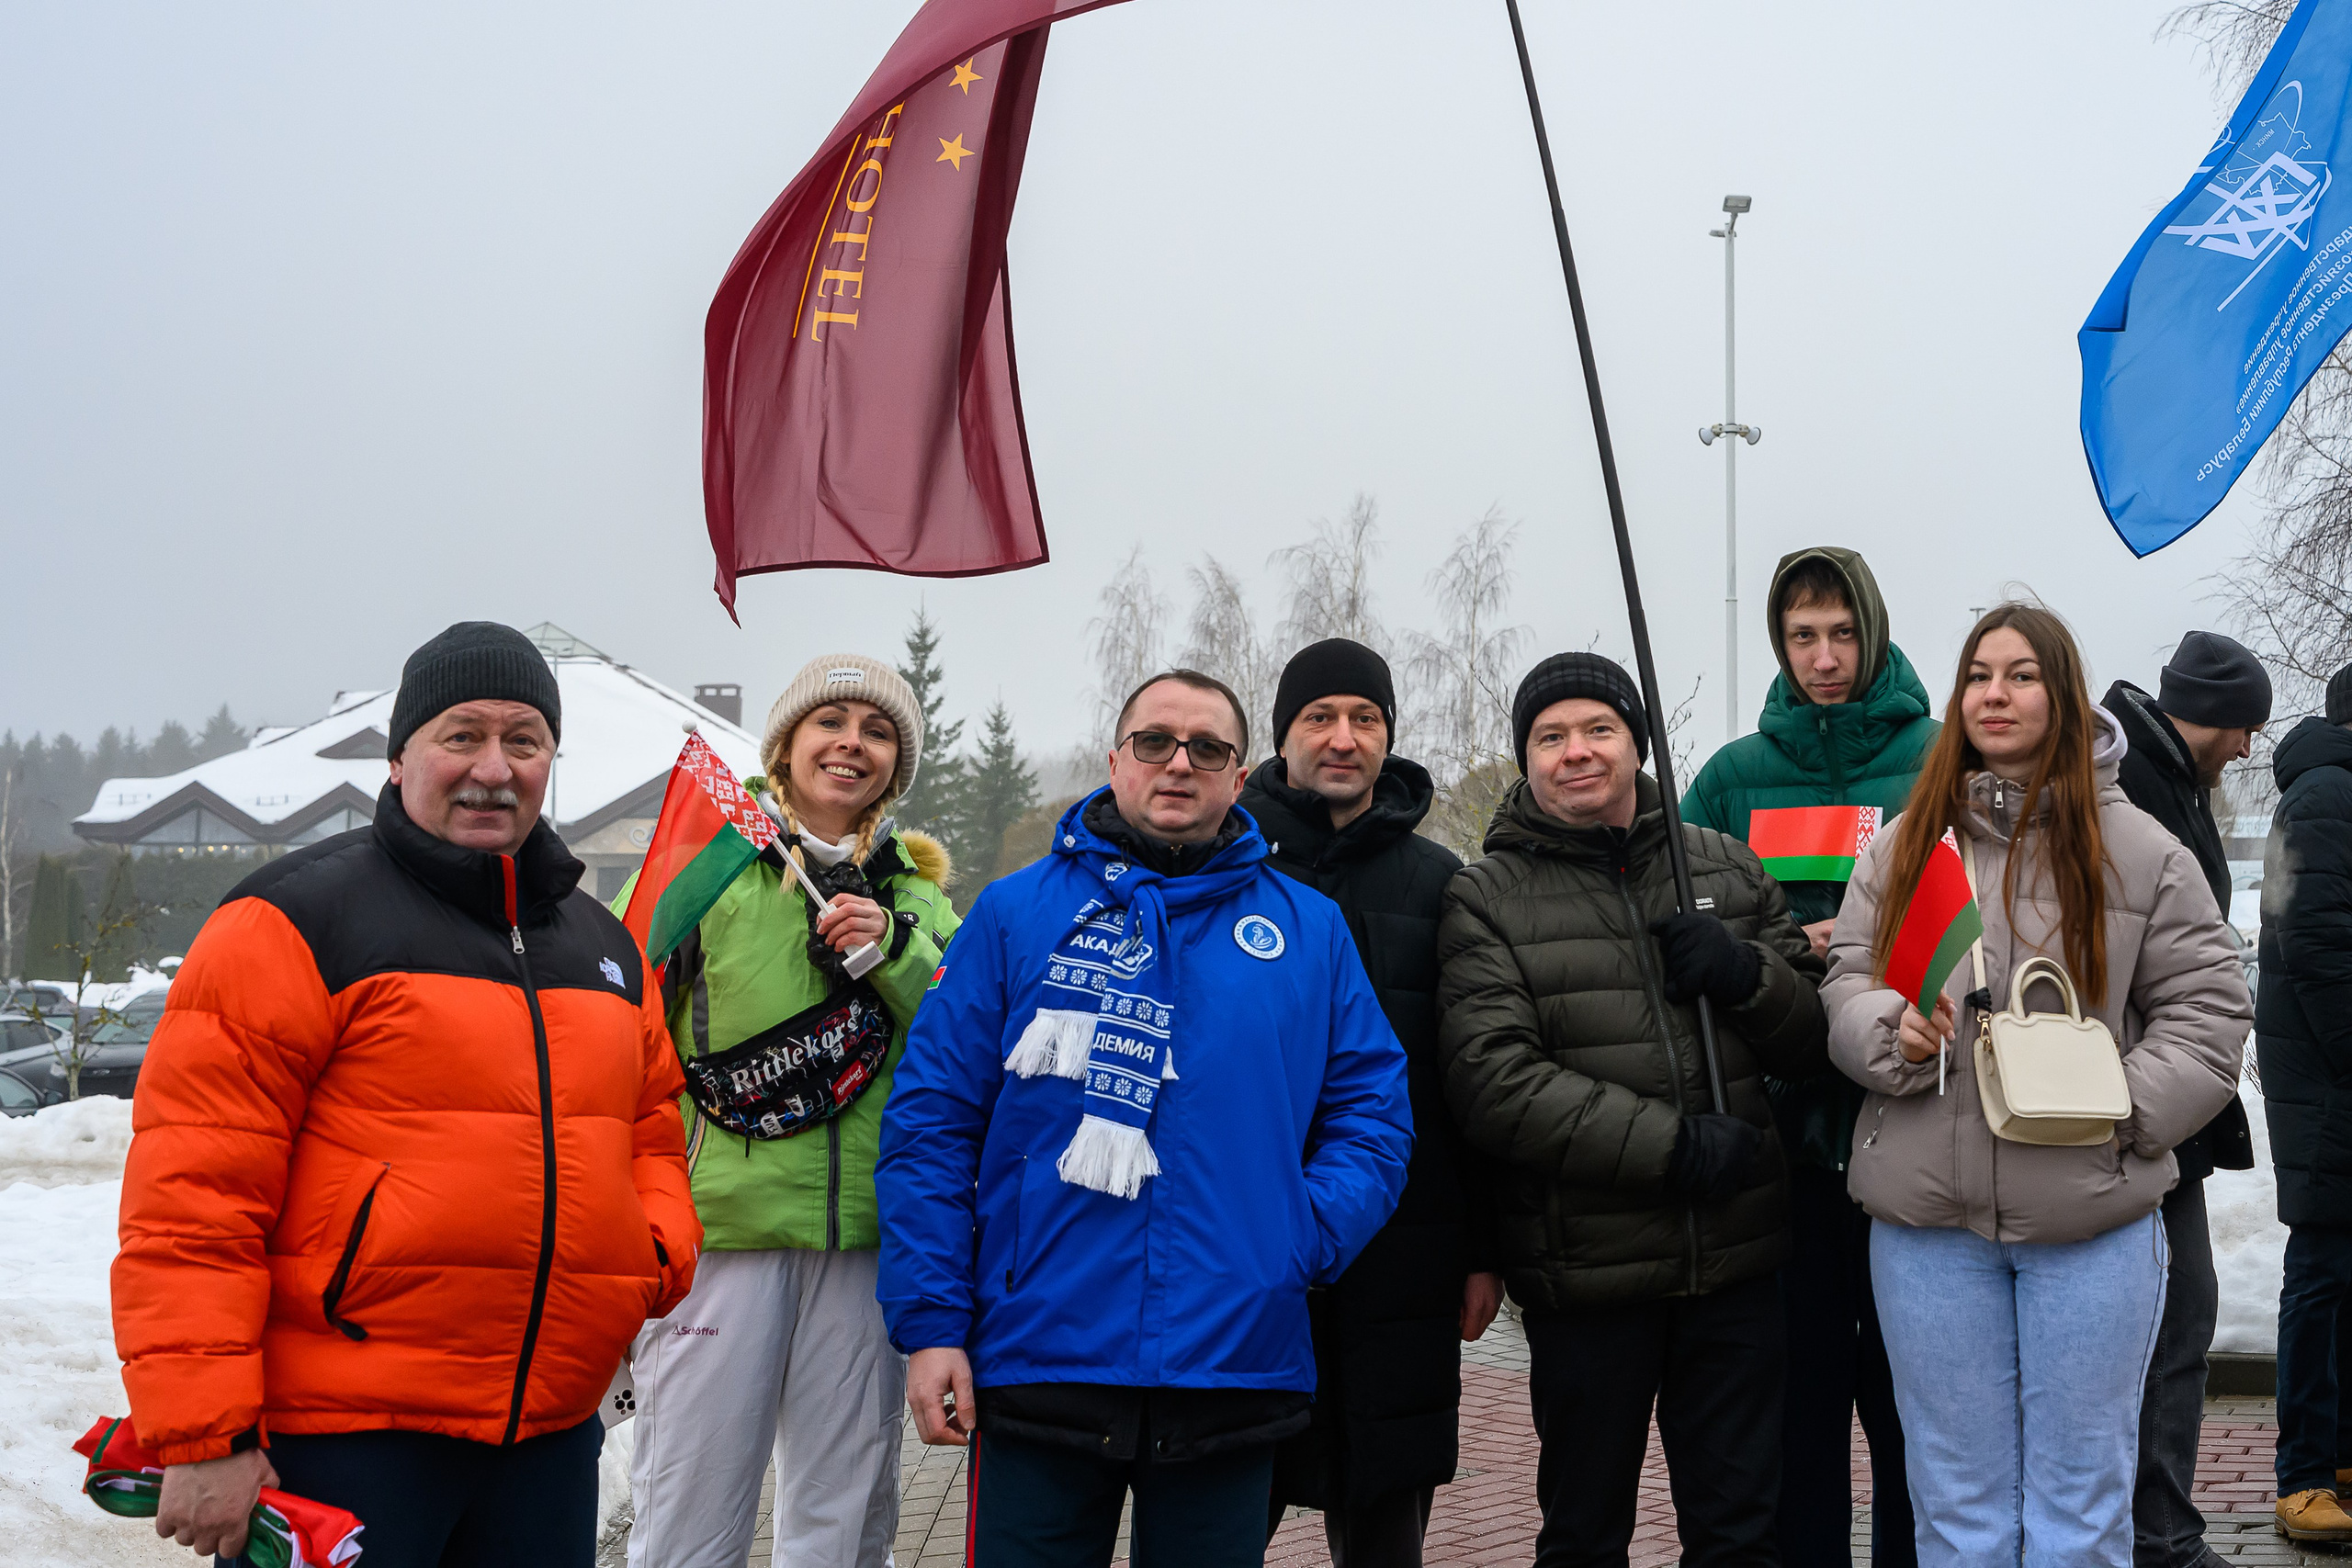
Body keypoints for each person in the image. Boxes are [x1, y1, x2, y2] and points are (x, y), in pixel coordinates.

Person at [114, 620, 702, 1567]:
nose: (494, 767)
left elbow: (650, 1130)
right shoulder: (290, 922)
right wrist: (204, 1435)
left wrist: (650, 1255)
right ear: (400, 757)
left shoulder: (603, 946)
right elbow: (193, 1201)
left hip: (547, 1439)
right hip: (346, 1439)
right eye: (460, 735)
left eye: (524, 740)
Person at [876, 669, 1412, 1568]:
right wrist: (932, 1325)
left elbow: (1373, 1116)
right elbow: (932, 1125)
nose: (1179, 764)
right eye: (1155, 741)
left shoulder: (1307, 931)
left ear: (1240, 778)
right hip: (1038, 1352)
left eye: (1208, 748)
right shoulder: (1014, 917)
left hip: (1230, 1362)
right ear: (1115, 759)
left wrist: (1300, 1234)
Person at [1824, 604, 2248, 1568]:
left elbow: (2210, 1013)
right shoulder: (1903, 848)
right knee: (1957, 1509)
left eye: (2021, 675)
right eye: (1979, 675)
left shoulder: (2138, 850)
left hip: (2092, 1229)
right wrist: (1891, 1027)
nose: (1996, 694)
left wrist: (2119, 1114)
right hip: (1928, 1232)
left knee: (2079, 1510)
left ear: (2062, 694)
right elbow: (1845, 980)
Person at [1438, 651, 1830, 1568]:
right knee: (1584, 1533)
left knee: (1740, 1533)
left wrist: (1747, 975)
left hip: (1734, 1267)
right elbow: (1494, 1082)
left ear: (1636, 742)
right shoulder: (1485, 896)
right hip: (1588, 1277)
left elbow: (1813, 1042)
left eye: (1597, 729)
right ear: (1527, 758)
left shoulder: (1725, 871)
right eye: (1550, 737)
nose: (1575, 752)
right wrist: (1671, 1148)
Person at [619, 653, 957, 1568]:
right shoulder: (705, 875)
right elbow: (612, 1018)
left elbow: (969, 1033)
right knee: (689, 1512)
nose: (853, 744)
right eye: (831, 722)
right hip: (718, 1238)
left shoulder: (915, 896)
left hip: (861, 1244)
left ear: (897, 765)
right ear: (786, 744)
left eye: (878, 731)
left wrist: (890, 950)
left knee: (844, 1521)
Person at [1680, 547, 1935, 1568]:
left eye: (1840, 633)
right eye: (1801, 637)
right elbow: (1683, 926)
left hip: (1913, 1130)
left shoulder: (1939, 758)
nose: (1823, 657)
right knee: (1797, 1407)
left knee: (1914, 1410)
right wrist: (1789, 952)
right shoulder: (1732, 778)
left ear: (1870, 631)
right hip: (1783, 1144)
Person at [1239, 638, 1504, 1568]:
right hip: (1247, 1244)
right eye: (1319, 717)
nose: (1342, 738)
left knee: (1387, 1516)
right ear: (1283, 736)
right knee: (1231, 1502)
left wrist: (1479, 1251)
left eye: (1365, 718)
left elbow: (1463, 1080)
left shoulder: (1440, 885)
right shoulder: (1223, 870)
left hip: (1406, 1244)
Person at [2101, 630, 2270, 1566]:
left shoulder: (2162, 780)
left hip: (2164, 1107)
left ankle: (2151, 1527)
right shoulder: (2133, 789)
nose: (2247, 749)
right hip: (2138, 1110)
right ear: (2207, 713)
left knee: (2174, 1321)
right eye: (2244, 727)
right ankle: (2153, 1534)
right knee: (2168, 1324)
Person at [2257, 662, 2352, 1541]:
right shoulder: (2328, 795)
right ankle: (2303, 1473)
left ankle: (2340, 1454)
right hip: (2330, 1082)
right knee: (2322, 1270)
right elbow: (2319, 941)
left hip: (2331, 1074)